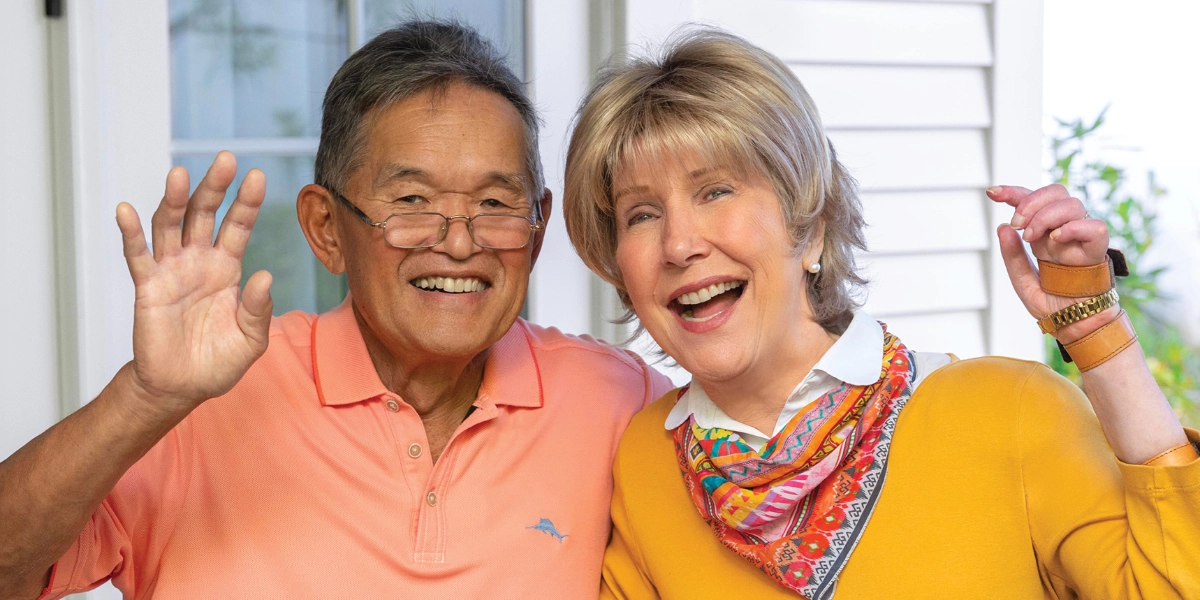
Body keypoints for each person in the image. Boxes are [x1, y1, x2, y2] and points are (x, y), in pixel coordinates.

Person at [0, 20, 672, 599]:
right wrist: (145, 398)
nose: (459, 242)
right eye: (411, 202)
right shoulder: (200, 405)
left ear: (538, 226)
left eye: (494, 205)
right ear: (326, 229)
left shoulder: (621, 402)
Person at [562, 28, 1200, 599]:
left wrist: (1097, 334)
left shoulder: (1008, 411)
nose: (679, 245)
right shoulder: (645, 464)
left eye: (716, 191)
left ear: (809, 227)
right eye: (641, 214)